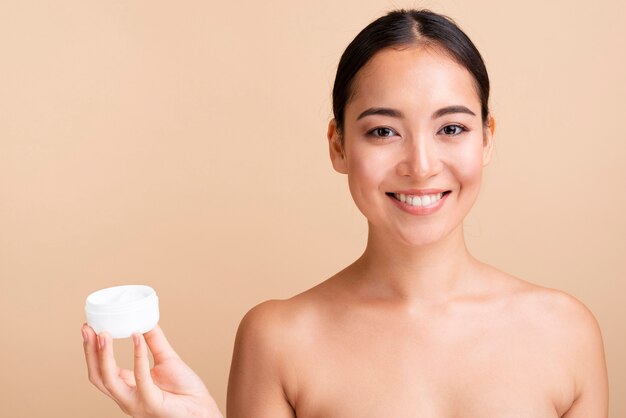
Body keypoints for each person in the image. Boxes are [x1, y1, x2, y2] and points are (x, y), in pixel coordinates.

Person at [82, 9, 608, 418]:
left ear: (487, 138)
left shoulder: (565, 332)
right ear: (338, 145)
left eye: (451, 128)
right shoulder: (279, 338)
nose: (422, 166)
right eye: (383, 131)